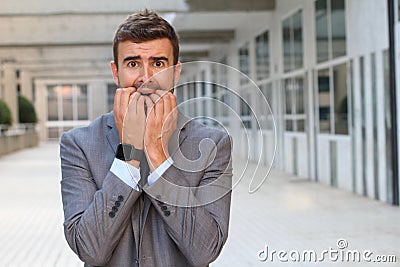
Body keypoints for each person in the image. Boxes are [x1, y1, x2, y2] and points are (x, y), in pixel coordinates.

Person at [60, 9, 233, 267]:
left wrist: (157, 154)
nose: (145, 78)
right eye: (132, 64)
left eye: (158, 64)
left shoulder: (213, 145)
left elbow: (204, 251)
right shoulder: (79, 145)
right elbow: (90, 249)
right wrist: (128, 154)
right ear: (115, 72)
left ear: (175, 73)